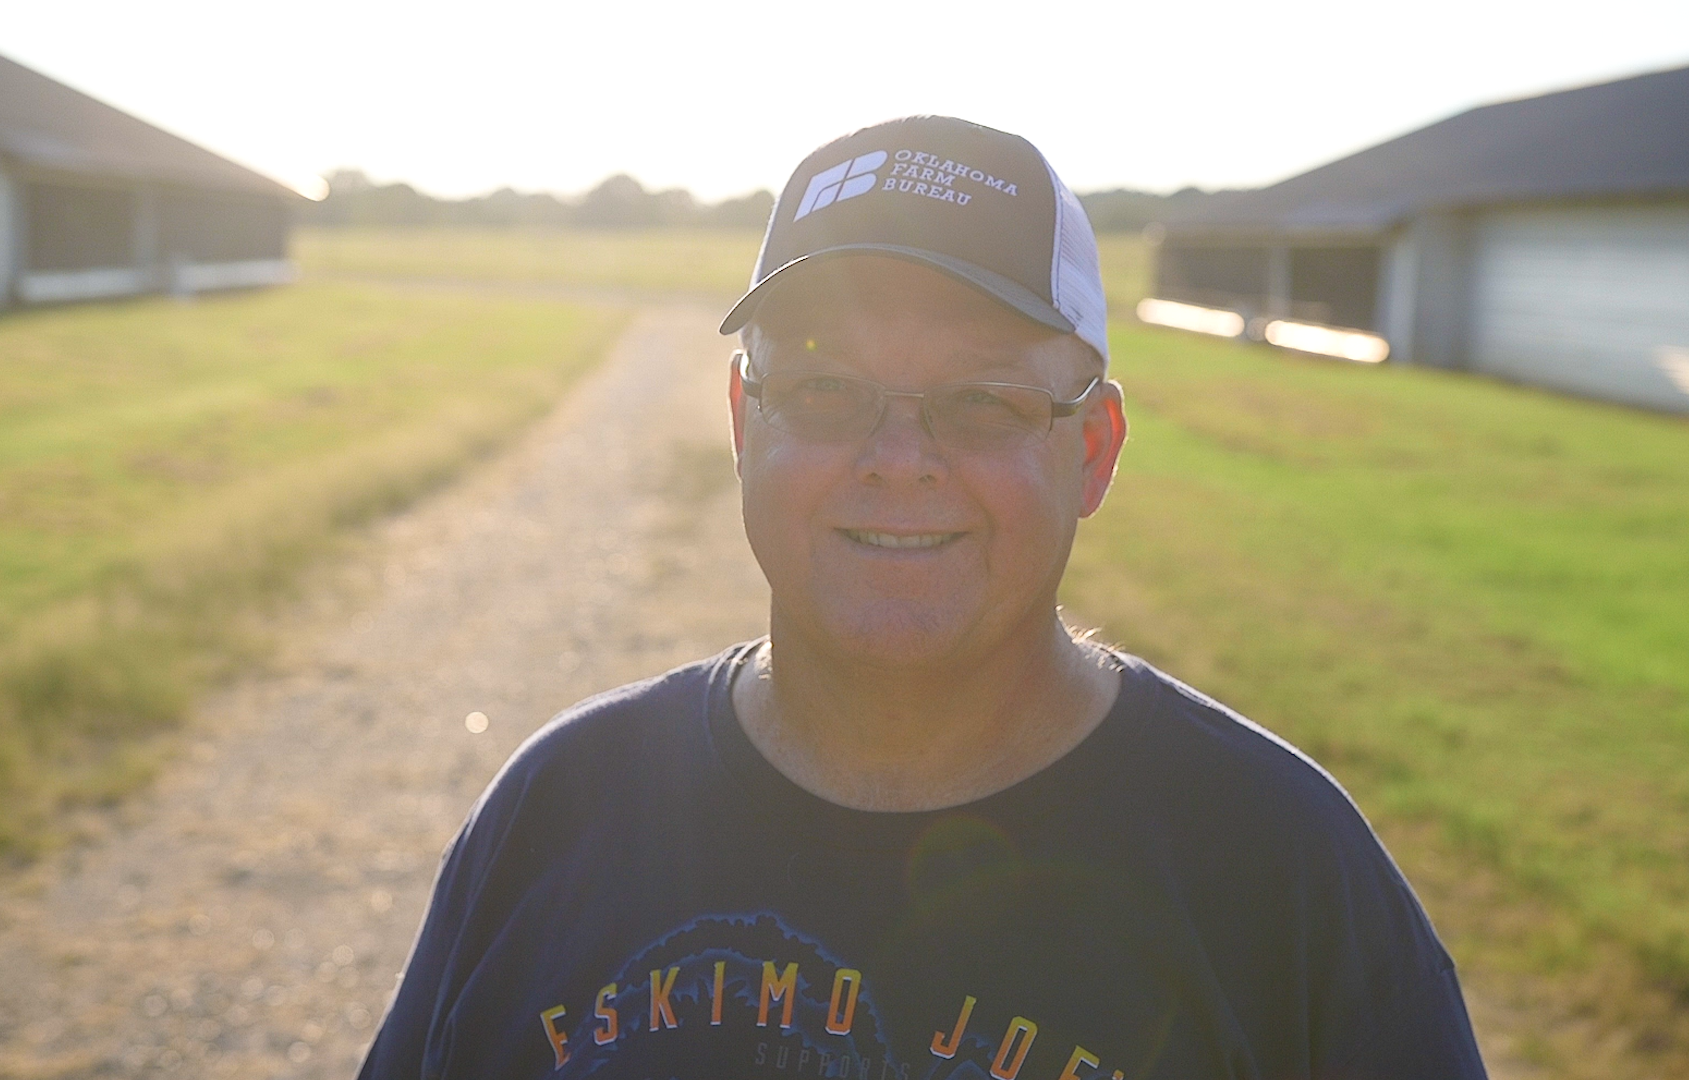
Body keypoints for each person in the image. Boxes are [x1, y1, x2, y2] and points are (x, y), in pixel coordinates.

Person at [358, 116, 1487, 1080]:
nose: (898, 459)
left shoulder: (1277, 871)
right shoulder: (558, 813)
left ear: (1092, 450)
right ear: (746, 426)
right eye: (823, 387)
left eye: (984, 402)